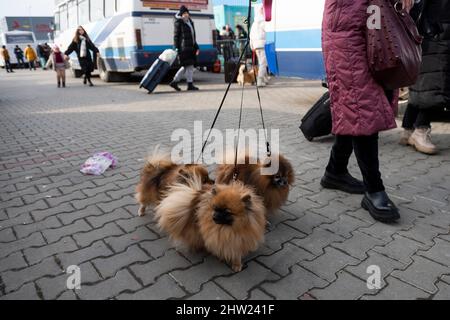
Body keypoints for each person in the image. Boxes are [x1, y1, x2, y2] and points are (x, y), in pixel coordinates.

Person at [319, 0, 414, 223]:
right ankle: (374, 189)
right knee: (362, 105)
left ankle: (335, 171)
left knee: (355, 106)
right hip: (347, 27)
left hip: (371, 18)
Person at [400, 0, 450, 155]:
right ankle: (421, 129)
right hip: (437, 21)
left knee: (427, 77)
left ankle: (409, 128)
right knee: (436, 79)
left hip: (433, 19)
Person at [169, 6, 200, 92]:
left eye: (187, 13)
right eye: (184, 14)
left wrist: (196, 46)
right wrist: (176, 47)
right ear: (181, 14)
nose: (186, 15)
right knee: (189, 66)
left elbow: (192, 36)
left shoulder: (190, 22)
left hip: (191, 48)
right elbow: (176, 36)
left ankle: (175, 82)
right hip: (184, 48)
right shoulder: (179, 23)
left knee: (186, 66)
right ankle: (189, 84)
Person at [250, 5, 269, 87]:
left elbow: (250, 36)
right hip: (261, 44)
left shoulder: (254, 23)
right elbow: (267, 29)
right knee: (263, 64)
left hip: (256, 45)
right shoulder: (261, 20)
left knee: (262, 63)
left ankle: (265, 79)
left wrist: (252, 46)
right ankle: (260, 81)